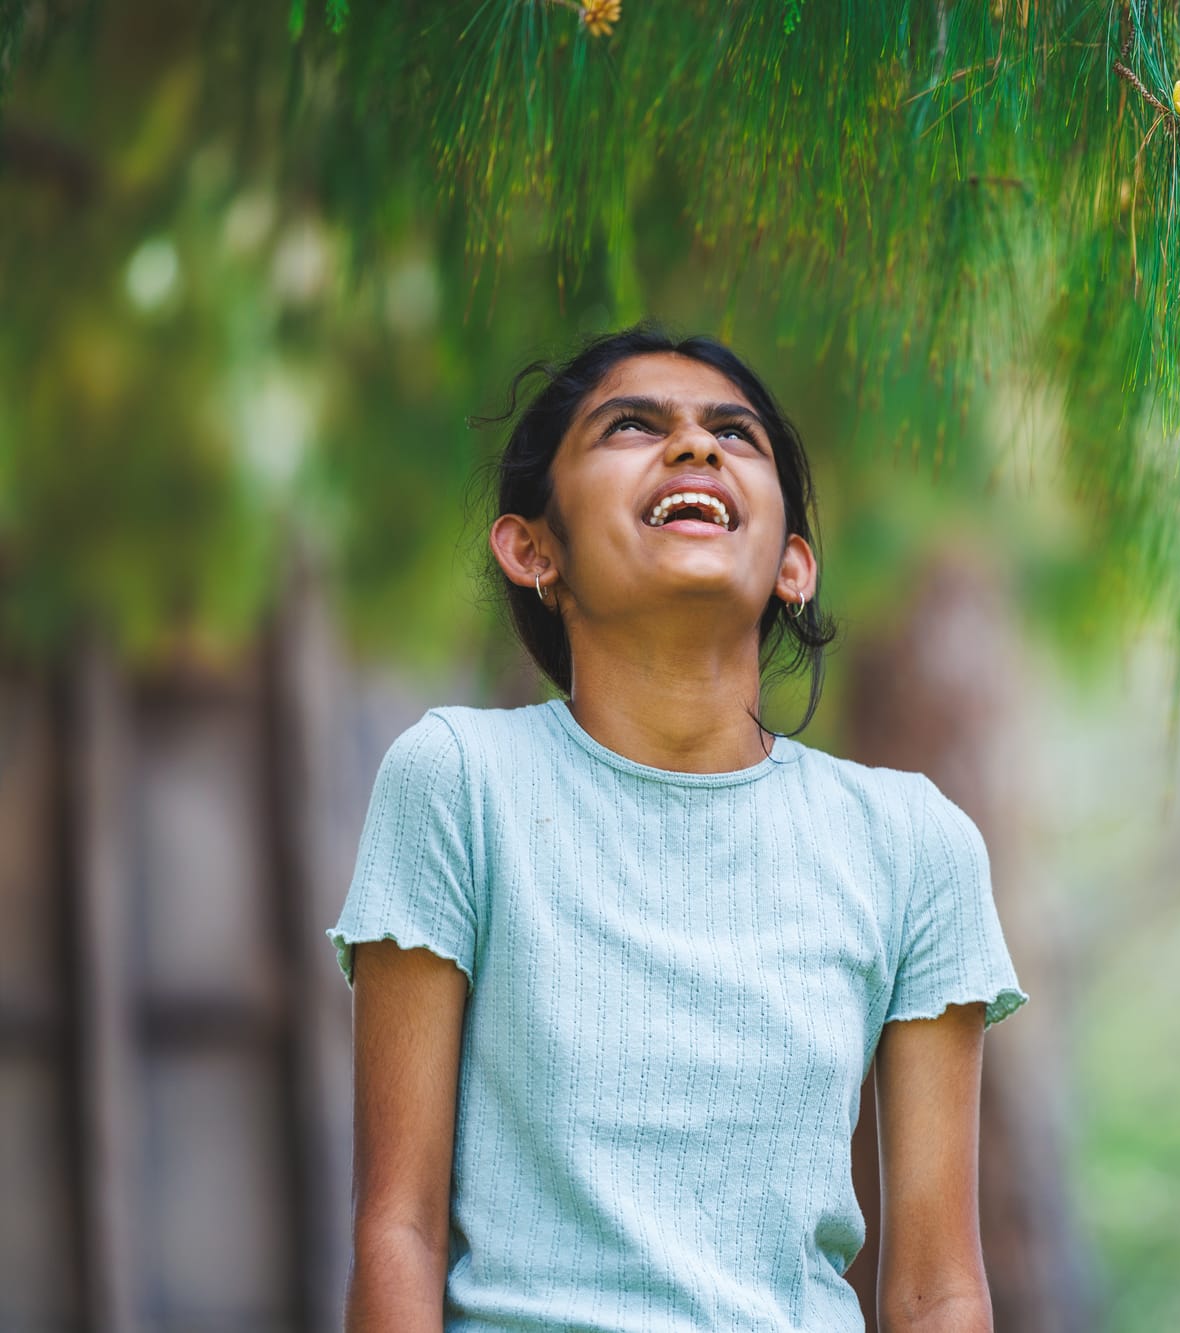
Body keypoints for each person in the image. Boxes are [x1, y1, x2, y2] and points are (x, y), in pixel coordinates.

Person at [324, 322, 1029, 1331]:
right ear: (533, 549)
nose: (696, 445)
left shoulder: (910, 840)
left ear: (793, 565)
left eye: (734, 434)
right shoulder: (459, 782)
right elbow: (399, 1227)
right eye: (631, 425)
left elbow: (936, 1289)